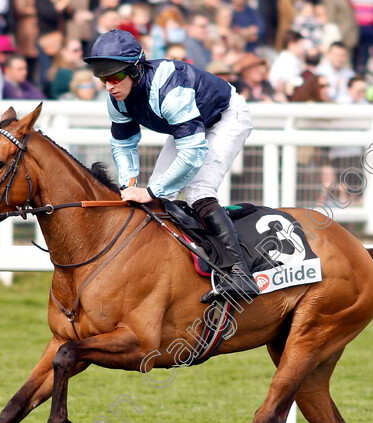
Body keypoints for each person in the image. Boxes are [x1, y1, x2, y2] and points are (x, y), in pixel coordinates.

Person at [83, 29, 260, 302]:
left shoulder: (169, 89)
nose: (109, 86)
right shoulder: (117, 99)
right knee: (161, 198)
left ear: (135, 70)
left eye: (115, 76)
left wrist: (150, 191)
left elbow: (193, 153)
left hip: (226, 117)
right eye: (102, 78)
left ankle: (240, 274)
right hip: (190, 128)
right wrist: (129, 183)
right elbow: (123, 144)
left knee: (198, 190)